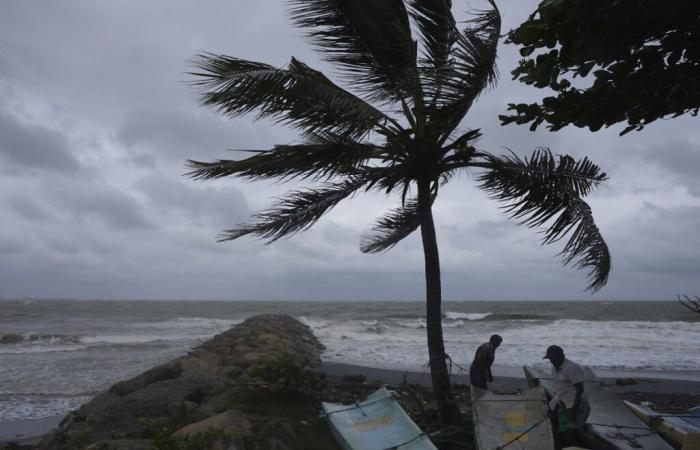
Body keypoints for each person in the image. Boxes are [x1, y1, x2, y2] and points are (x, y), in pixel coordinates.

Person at [542, 345, 591, 432]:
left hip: (576, 405)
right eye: (550, 359)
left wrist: (574, 410)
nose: (552, 361)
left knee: (573, 429)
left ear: (562, 356)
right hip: (562, 403)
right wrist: (553, 407)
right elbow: (559, 388)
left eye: (554, 358)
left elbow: (580, 390)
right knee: (562, 428)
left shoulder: (572, 368)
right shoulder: (554, 369)